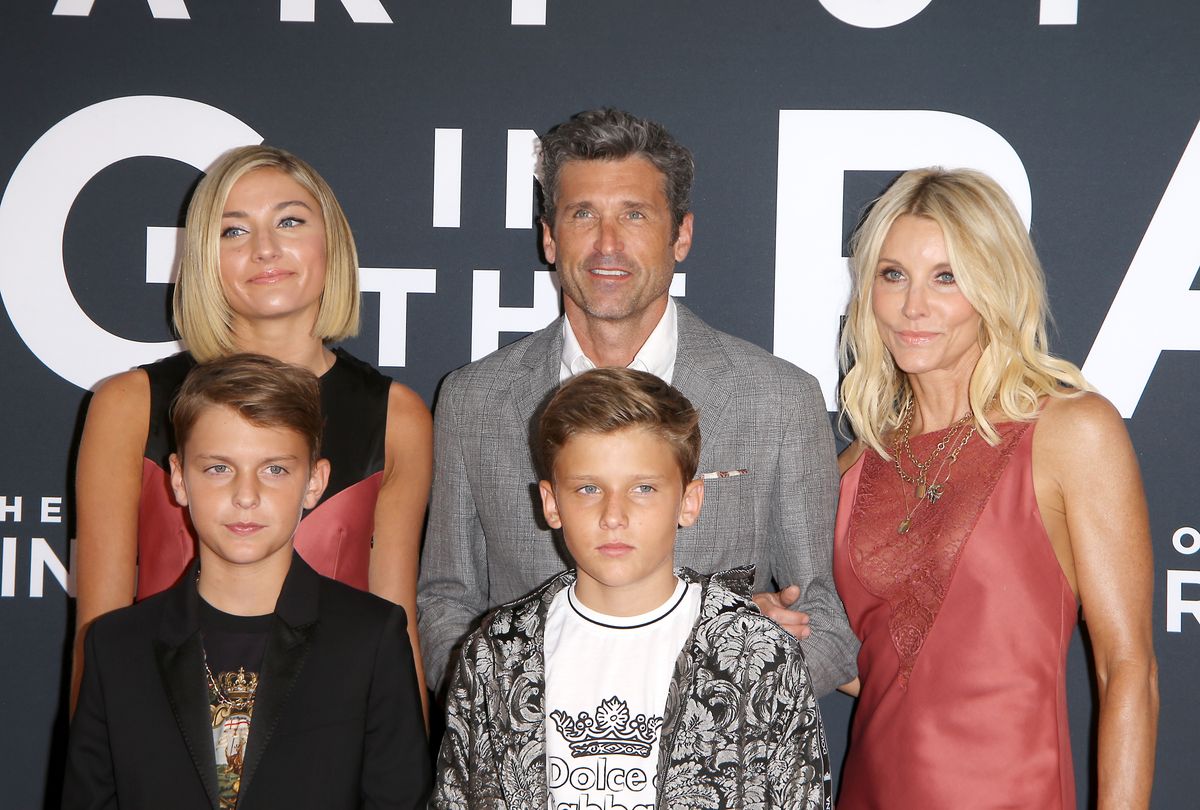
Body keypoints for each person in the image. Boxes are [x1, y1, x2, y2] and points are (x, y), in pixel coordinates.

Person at [418, 108, 857, 697]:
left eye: (634, 215)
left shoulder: (777, 400)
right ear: (549, 236)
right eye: (582, 215)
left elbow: (826, 623)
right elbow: (446, 602)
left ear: (681, 234)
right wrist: (513, 713)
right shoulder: (472, 401)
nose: (607, 244)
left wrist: (737, 684)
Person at [833, 168, 1158, 808]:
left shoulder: (1072, 432)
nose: (912, 305)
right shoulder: (852, 468)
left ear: (996, 287)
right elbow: (886, 666)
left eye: (946, 277)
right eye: (892, 274)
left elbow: (1128, 671)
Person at [73, 145, 432, 708]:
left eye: (289, 221)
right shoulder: (129, 405)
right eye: (233, 232)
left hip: (329, 748)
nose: (265, 249)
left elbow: (398, 624)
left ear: (331, 242)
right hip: (165, 744)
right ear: (203, 257)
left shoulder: (398, 416)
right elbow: (98, 634)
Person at [433, 367, 830, 809]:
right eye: (588, 488)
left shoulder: (757, 657)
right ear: (551, 503)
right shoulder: (497, 654)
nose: (613, 515)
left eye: (642, 488)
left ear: (689, 501)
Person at [64, 354, 431, 810]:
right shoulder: (116, 647)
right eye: (218, 468)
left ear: (315, 482)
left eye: (274, 469)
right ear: (178, 479)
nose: (245, 495)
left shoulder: (370, 638)